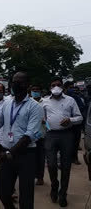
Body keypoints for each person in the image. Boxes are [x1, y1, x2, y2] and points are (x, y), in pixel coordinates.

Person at [0, 72, 43, 209]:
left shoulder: (35, 107)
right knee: (2, 192)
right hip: (5, 154)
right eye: (14, 81)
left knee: (26, 195)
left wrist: (9, 154)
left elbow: (29, 136)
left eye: (19, 82)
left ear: (27, 86)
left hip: (26, 155)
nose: (15, 85)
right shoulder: (6, 103)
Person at [42, 77, 83, 207]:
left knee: (66, 166)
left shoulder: (70, 100)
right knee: (52, 164)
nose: (56, 87)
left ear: (63, 87)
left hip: (66, 135)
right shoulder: (44, 101)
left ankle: (63, 193)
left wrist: (70, 120)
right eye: (53, 85)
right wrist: (43, 122)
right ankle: (55, 186)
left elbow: (80, 117)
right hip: (51, 135)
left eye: (58, 85)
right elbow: (40, 118)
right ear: (50, 88)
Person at [64, 81, 84, 165]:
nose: (72, 89)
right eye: (70, 88)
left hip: (75, 124)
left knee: (75, 142)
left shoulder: (76, 98)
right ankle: (66, 159)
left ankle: (74, 158)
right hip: (65, 124)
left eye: (73, 88)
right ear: (65, 88)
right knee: (65, 143)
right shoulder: (62, 98)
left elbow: (82, 109)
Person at [30, 84, 46, 186]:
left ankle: (40, 177)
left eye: (37, 89)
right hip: (29, 135)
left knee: (40, 157)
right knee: (30, 158)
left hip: (41, 134)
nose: (35, 91)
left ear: (41, 91)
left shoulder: (45, 102)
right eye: (33, 90)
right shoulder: (28, 102)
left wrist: (46, 121)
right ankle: (31, 176)